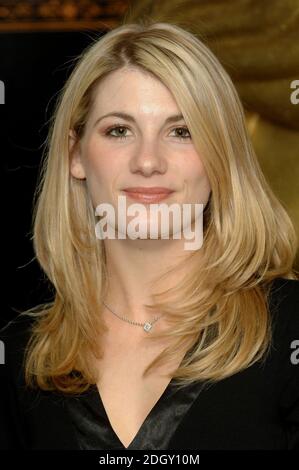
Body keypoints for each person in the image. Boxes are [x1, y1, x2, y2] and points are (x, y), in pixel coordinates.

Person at [0, 19, 299, 451]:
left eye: (181, 132)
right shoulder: (23, 359)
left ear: (220, 155)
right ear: (75, 154)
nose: (147, 161)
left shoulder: (288, 331)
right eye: (119, 130)